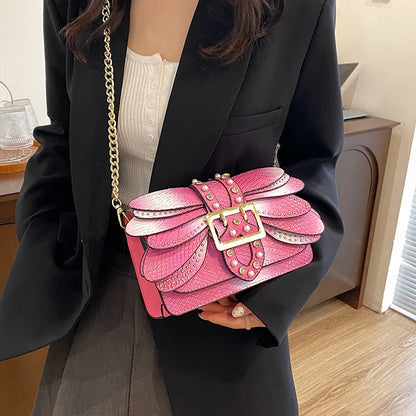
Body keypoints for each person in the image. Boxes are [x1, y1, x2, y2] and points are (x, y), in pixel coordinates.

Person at [0, 0, 344, 415]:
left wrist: (273, 296)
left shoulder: (297, 8)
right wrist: (41, 243)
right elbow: (61, 137)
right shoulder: (81, 4)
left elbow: (315, 157)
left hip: (222, 292)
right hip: (96, 290)